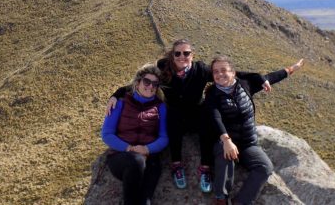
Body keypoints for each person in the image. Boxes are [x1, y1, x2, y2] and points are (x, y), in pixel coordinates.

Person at [107, 39, 271, 193]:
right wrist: (116, 94)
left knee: (206, 123)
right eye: (177, 53)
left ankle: (205, 168)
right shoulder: (164, 67)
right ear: (172, 55)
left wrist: (258, 77)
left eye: (186, 53)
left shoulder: (200, 69)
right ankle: (176, 165)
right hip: (175, 113)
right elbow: (140, 82)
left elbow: (230, 74)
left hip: (195, 111)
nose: (182, 57)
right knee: (172, 119)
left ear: (192, 55)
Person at [206, 55, 303, 205]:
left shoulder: (245, 84)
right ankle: (221, 198)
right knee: (226, 156)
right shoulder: (212, 94)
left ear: (233, 72)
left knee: (265, 167)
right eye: (216, 71)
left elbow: (271, 77)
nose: (220, 74)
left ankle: (241, 202)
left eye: (224, 70)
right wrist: (226, 140)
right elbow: (215, 117)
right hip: (226, 141)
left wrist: (292, 69)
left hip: (248, 143)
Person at [101, 64, 168, 205]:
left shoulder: (160, 107)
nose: (150, 86)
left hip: (150, 159)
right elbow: (107, 134)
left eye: (155, 84)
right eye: (147, 82)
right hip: (122, 157)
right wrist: (129, 148)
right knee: (136, 160)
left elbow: (164, 137)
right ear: (137, 83)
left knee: (145, 201)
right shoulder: (120, 103)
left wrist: (147, 149)